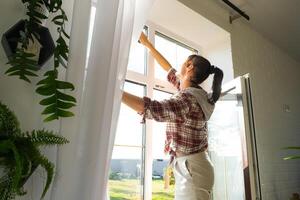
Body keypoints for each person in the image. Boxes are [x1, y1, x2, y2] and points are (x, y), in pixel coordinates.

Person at [122, 32, 224, 200]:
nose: (180, 66)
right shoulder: (195, 94)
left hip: (193, 170)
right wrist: (147, 43)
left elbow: (155, 109)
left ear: (189, 66)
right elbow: (169, 69)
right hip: (195, 166)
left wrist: (114, 91)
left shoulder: (188, 98)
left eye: (184, 62)